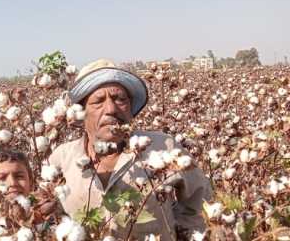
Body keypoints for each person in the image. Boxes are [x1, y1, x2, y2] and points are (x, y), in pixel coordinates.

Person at [48, 59, 212, 240]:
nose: (110, 108)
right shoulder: (61, 159)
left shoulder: (163, 146)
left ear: (130, 107)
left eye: (120, 99)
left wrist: (184, 232)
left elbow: (200, 200)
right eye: (98, 101)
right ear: (81, 111)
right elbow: (51, 216)